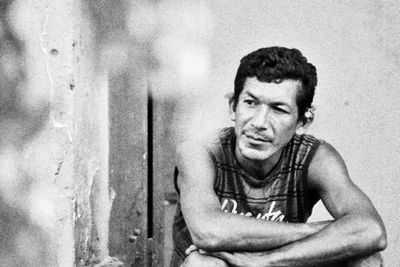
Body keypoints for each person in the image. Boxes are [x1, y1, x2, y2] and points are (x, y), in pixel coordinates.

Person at [170, 47, 387, 266]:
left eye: (278, 109)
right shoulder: (201, 151)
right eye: (250, 103)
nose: (259, 123)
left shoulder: (314, 158)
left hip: (279, 264)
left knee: (367, 259)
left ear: (303, 122)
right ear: (233, 107)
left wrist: (266, 261)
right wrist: (314, 229)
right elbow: (209, 232)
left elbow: (370, 230)